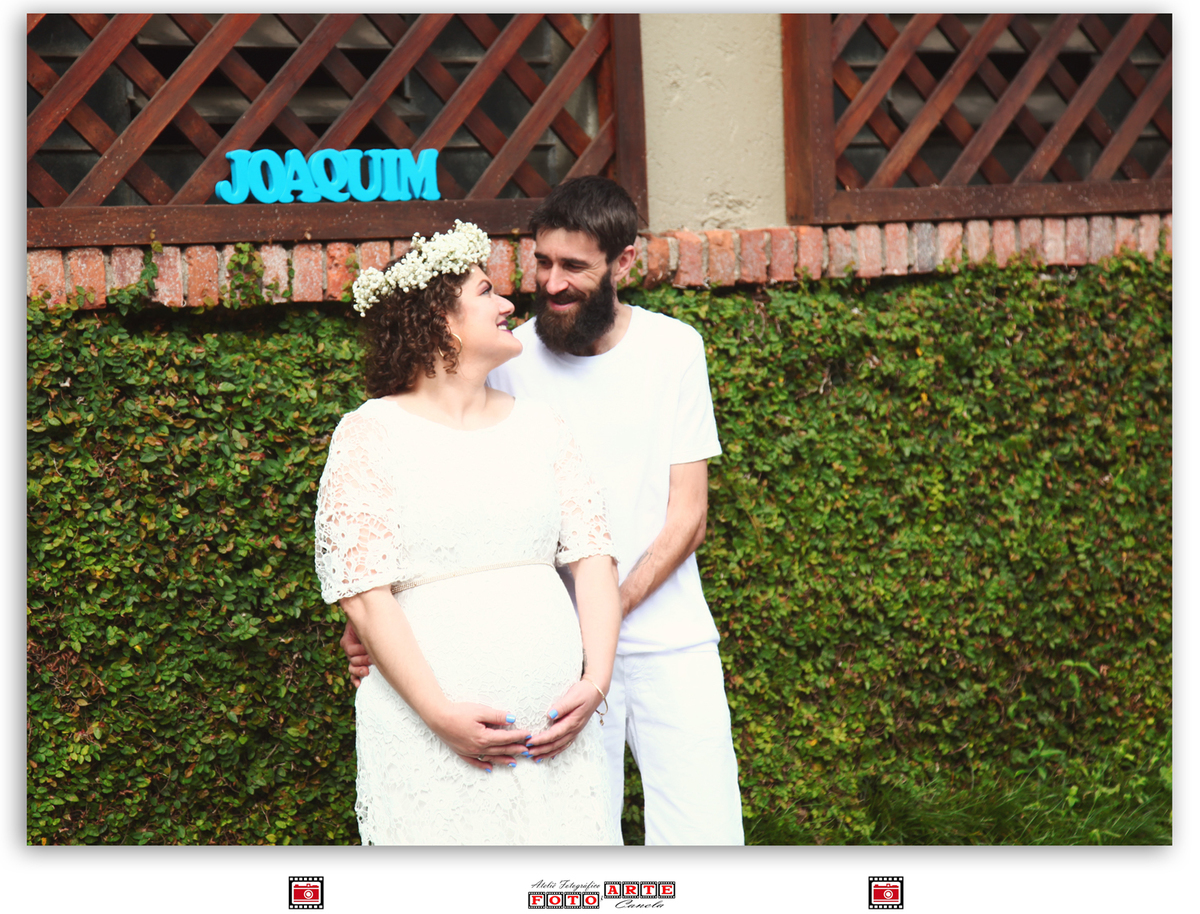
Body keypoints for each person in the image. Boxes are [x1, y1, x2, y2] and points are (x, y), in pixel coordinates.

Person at [342, 179, 745, 845]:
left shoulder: (675, 349)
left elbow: (688, 517)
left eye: (574, 267)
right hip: (558, 658)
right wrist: (369, 625)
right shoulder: (506, 355)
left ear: (622, 263)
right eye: (542, 262)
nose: (551, 283)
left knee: (706, 831)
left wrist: (604, 618)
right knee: (583, 831)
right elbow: (438, 495)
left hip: (666, 635)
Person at [315, 220, 622, 845]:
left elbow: (594, 557)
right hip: (427, 740)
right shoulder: (370, 433)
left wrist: (596, 682)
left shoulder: (542, 426)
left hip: (557, 745)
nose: (509, 304)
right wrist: (439, 715)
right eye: (486, 292)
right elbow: (365, 594)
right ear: (439, 320)